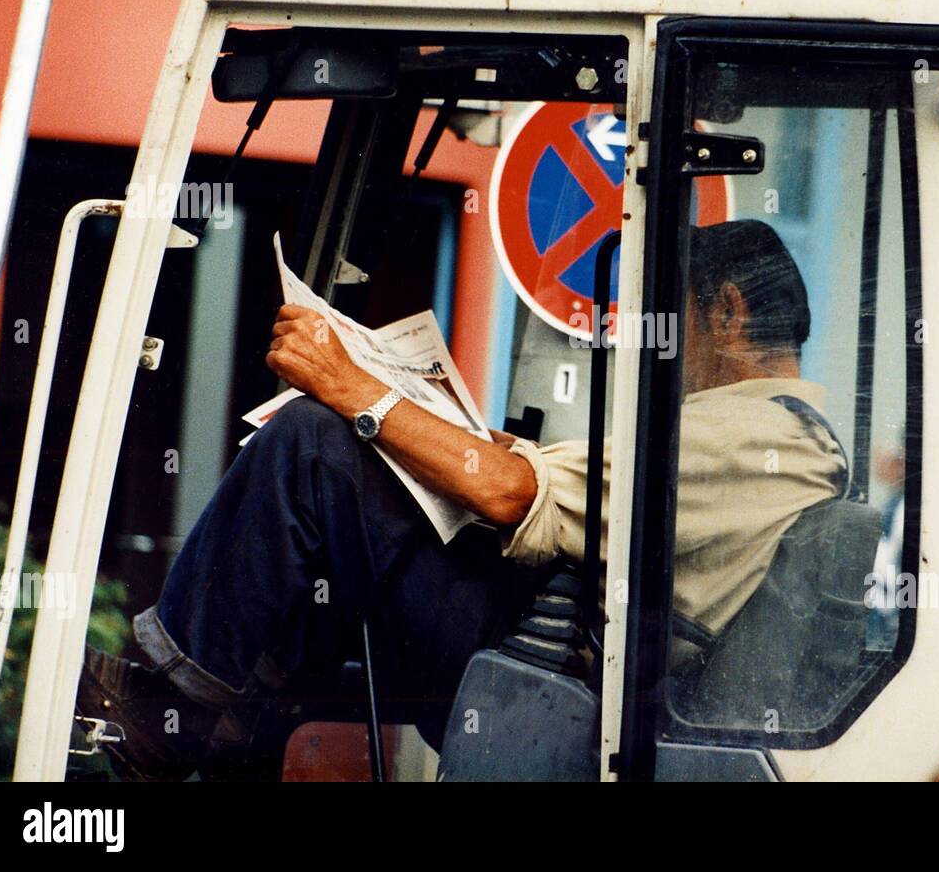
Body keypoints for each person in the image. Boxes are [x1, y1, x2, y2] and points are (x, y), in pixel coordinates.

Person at [78, 219, 847, 780]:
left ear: (727, 312)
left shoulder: (754, 433)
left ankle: (167, 715)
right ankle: (226, 715)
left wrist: (355, 388)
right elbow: (545, 476)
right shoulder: (754, 432)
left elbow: (515, 494)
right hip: (570, 650)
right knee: (348, 488)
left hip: (561, 677)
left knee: (314, 442)